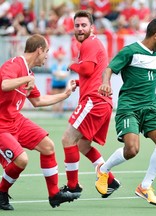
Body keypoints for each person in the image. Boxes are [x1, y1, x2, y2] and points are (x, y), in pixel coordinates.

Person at [96, 18, 156, 206]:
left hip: (151, 107)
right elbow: (109, 69)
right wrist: (105, 83)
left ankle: (145, 186)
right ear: (155, 35)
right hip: (129, 107)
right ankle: (103, 169)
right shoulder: (130, 51)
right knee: (132, 150)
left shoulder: (155, 53)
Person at [0, 34, 80, 211]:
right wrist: (27, 79)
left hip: (15, 120)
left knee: (48, 146)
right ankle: (1, 192)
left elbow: (38, 101)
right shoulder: (15, 64)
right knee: (21, 160)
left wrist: (65, 94)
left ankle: (54, 195)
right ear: (39, 50)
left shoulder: (29, 73)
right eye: (47, 52)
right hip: (1, 125)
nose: (47, 56)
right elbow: (4, 84)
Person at [61, 10, 120, 199]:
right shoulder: (92, 43)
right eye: (77, 25)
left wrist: (72, 65)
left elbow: (86, 69)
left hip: (94, 101)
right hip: (101, 101)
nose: (80, 29)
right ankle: (109, 180)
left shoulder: (89, 43)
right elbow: (93, 72)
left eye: (83, 25)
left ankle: (73, 187)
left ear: (91, 27)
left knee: (68, 140)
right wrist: (80, 82)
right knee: (83, 145)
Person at [50, 46, 70, 118]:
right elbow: (54, 73)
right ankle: (54, 112)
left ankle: (60, 112)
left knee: (62, 99)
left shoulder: (64, 66)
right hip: (55, 84)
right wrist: (61, 74)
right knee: (54, 99)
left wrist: (60, 74)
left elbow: (66, 74)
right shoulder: (54, 65)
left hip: (62, 84)